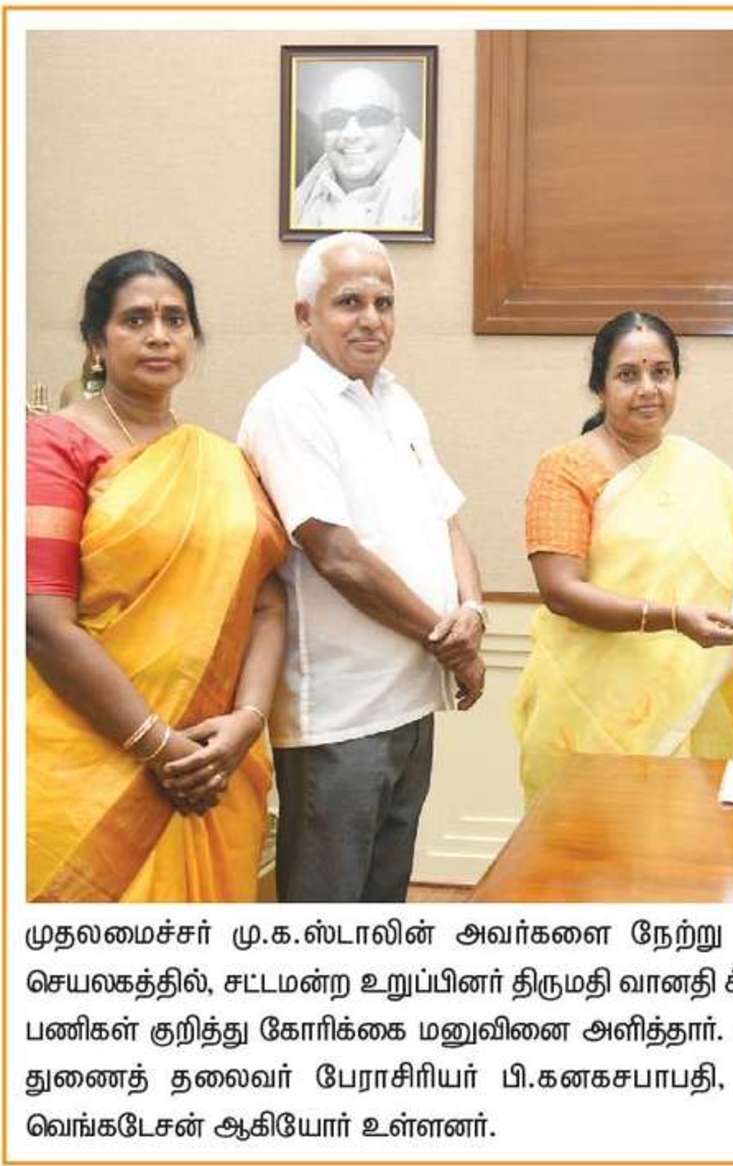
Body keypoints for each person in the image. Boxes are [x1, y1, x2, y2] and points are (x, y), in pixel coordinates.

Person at [26, 251, 288, 901]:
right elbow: (41, 622)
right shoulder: (51, 447)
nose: (159, 335)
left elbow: (267, 602)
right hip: (88, 764)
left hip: (214, 763)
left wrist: (248, 720)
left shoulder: (223, 461)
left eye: (175, 319)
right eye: (135, 320)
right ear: (96, 341)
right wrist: (158, 746)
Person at [238, 231, 485, 902]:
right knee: (328, 916)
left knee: (383, 905)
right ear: (305, 315)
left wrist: (473, 611)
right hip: (340, 717)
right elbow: (336, 555)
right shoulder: (289, 405)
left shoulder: (397, 401)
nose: (371, 319)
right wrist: (449, 642)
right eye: (349, 302)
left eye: (384, 303)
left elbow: (447, 521)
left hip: (412, 702)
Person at [512, 310, 733, 804]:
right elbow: (560, 590)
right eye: (627, 375)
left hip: (693, 702)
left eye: (661, 373)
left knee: (685, 843)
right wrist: (673, 618)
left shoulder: (700, 467)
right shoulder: (565, 469)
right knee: (591, 846)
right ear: (599, 386)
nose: (647, 389)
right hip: (588, 707)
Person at [293, 67, 423, 230]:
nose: (350, 134)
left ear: (398, 127)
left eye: (370, 117)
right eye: (336, 118)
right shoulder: (309, 188)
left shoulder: (428, 191)